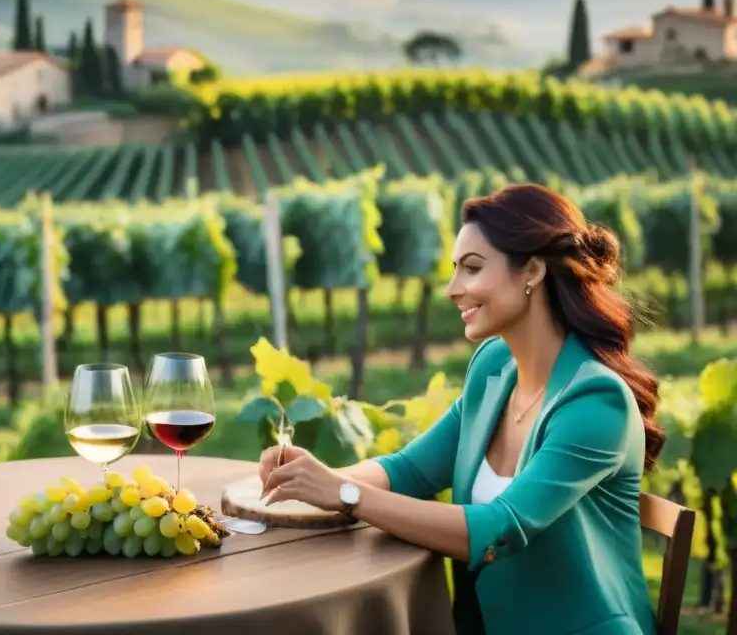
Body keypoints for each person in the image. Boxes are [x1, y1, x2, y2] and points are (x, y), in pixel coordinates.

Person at [258, 183, 661, 635]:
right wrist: (307, 480)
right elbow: (409, 470)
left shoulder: (594, 402)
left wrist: (345, 495)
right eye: (454, 270)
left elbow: (501, 526)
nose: (453, 290)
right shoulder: (493, 368)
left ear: (531, 271)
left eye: (472, 268)